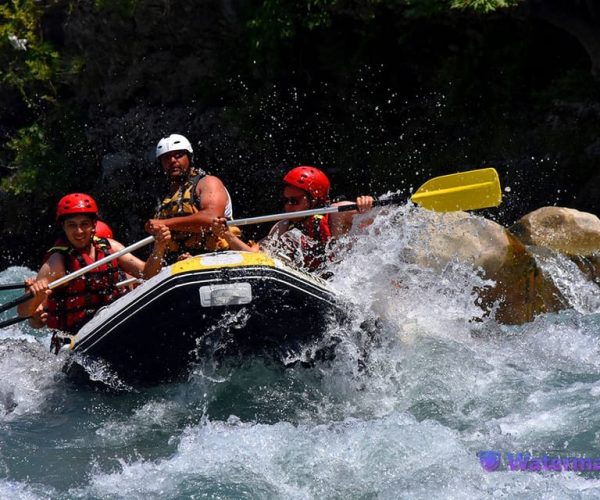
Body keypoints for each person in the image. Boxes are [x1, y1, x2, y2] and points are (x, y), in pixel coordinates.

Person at [17, 193, 171, 338]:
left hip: (114, 323)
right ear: (63, 227)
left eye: (84, 224)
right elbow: (26, 315)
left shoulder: (111, 248)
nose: (79, 231)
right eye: (72, 225)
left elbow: (148, 275)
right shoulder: (56, 263)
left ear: (94, 225)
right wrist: (34, 297)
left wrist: (159, 247)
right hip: (78, 337)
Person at [211, 165, 374, 271]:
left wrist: (366, 205)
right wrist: (227, 235)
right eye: (286, 201)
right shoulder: (283, 227)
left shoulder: (337, 213)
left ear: (315, 200)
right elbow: (255, 256)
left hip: (343, 278)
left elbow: (381, 221)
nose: (288, 206)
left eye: (294, 201)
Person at [145, 133, 234, 263]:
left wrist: (164, 223)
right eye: (166, 158)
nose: (173, 161)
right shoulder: (164, 196)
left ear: (190, 157)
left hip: (218, 256)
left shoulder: (208, 182)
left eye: (179, 155)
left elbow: (212, 219)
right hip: (179, 261)